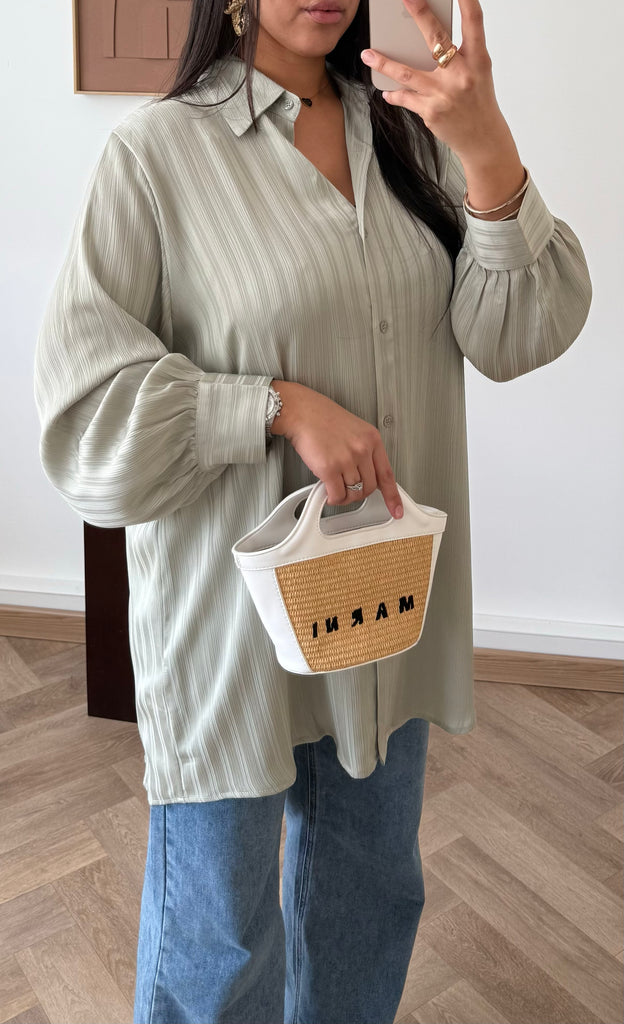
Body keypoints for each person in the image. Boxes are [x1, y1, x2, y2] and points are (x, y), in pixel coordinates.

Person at [33, 0, 592, 1021]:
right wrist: (274, 406)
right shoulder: (154, 156)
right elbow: (83, 412)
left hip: (383, 596)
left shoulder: (411, 135)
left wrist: (488, 148)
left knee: (370, 896)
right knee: (219, 937)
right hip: (229, 620)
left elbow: (517, 334)